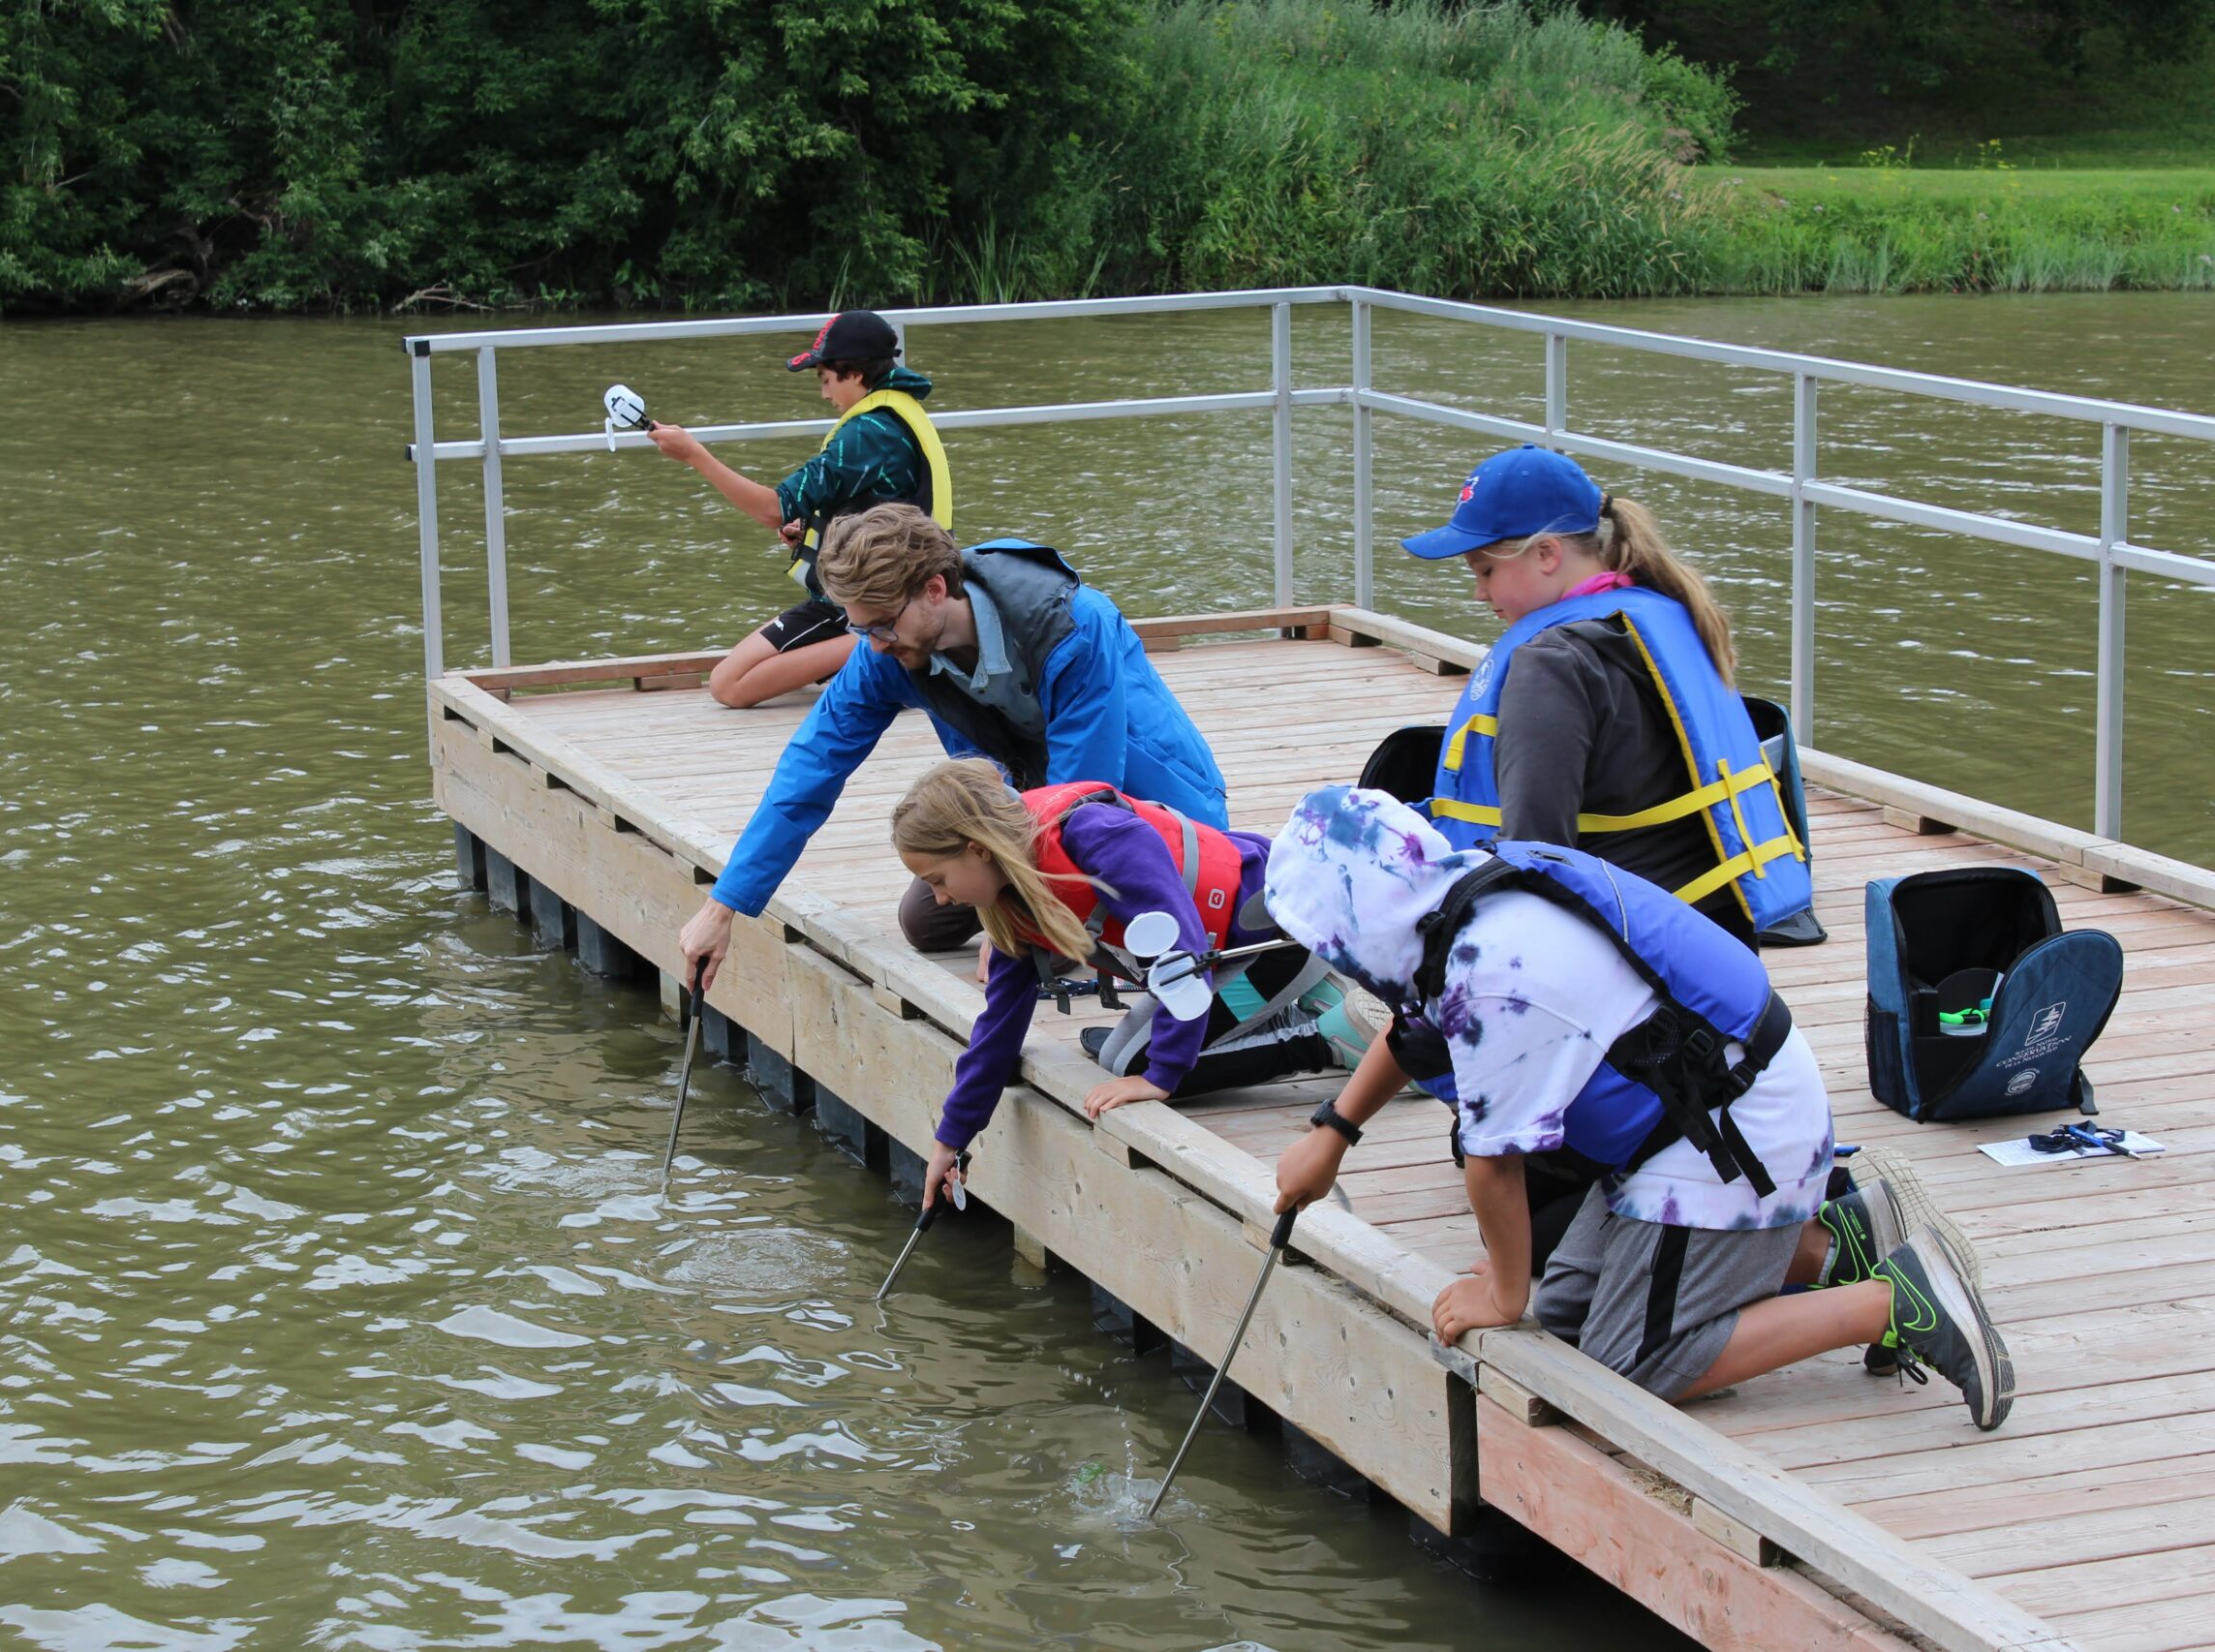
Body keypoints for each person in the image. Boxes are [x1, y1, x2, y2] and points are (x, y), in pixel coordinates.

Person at [1259, 785, 2012, 1430]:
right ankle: (1838, 1244)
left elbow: (1494, 1165)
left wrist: (1500, 1293)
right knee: (1567, 1318)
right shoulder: (1465, 903)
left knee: (1628, 1361)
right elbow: (1415, 1029)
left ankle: (1894, 1302)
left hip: (1733, 1140)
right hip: (1695, 1126)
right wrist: (1334, 1133)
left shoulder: (1489, 977)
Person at [676, 504, 1229, 988]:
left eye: (882, 627)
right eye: (860, 628)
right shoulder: (885, 652)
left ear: (934, 590)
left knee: (1051, 933)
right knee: (927, 922)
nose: (873, 644)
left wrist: (1020, 914)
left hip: (1149, 803)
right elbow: (808, 772)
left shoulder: (1074, 626)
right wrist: (723, 907)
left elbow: (1086, 795)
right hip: (1034, 801)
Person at [888, 759, 1380, 1210]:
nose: (939, 898)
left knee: (1141, 1065)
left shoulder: (1098, 837)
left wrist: (1162, 1076)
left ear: (978, 849)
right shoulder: (1012, 891)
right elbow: (1000, 1022)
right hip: (1217, 956)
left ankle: (1324, 1039)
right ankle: (1291, 1006)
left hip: (1278, 940)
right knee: (1118, 1058)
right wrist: (950, 1138)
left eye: (938, 878)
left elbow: (1183, 956)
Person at [1400, 444, 1810, 951]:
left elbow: (1534, 852)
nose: (1480, 594)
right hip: (1715, 946)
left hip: (1624, 964)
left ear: (1547, 553)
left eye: (1485, 571)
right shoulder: (1669, 616)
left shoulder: (1552, 662)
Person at [647, 309, 953, 708]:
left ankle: (894, 639)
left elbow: (772, 508)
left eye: (826, 380)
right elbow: (884, 505)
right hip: (887, 588)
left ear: (855, 374)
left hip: (866, 602)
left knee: (728, 685)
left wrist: (695, 455)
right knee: (731, 677)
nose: (825, 393)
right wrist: (810, 529)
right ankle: (893, 640)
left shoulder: (867, 433)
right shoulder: (896, 413)